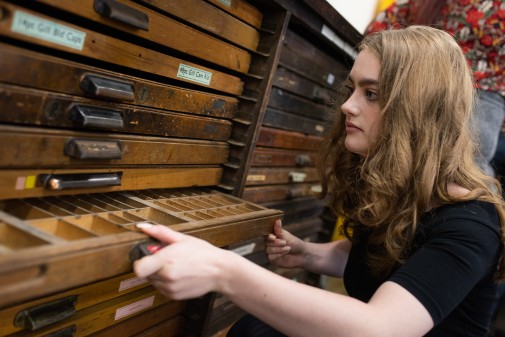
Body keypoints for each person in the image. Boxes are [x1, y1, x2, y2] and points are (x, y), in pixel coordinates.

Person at [134, 26, 505, 336]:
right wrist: (308, 254)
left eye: (371, 93)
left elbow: (381, 328)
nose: (347, 105)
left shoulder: (471, 222)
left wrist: (222, 270)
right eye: (353, 89)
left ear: (418, 109)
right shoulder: (398, 187)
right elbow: (386, 261)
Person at [366, 0, 505, 177]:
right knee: (466, 173)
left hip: (427, 84)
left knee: (409, 161)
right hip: (480, 96)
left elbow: (378, 28)